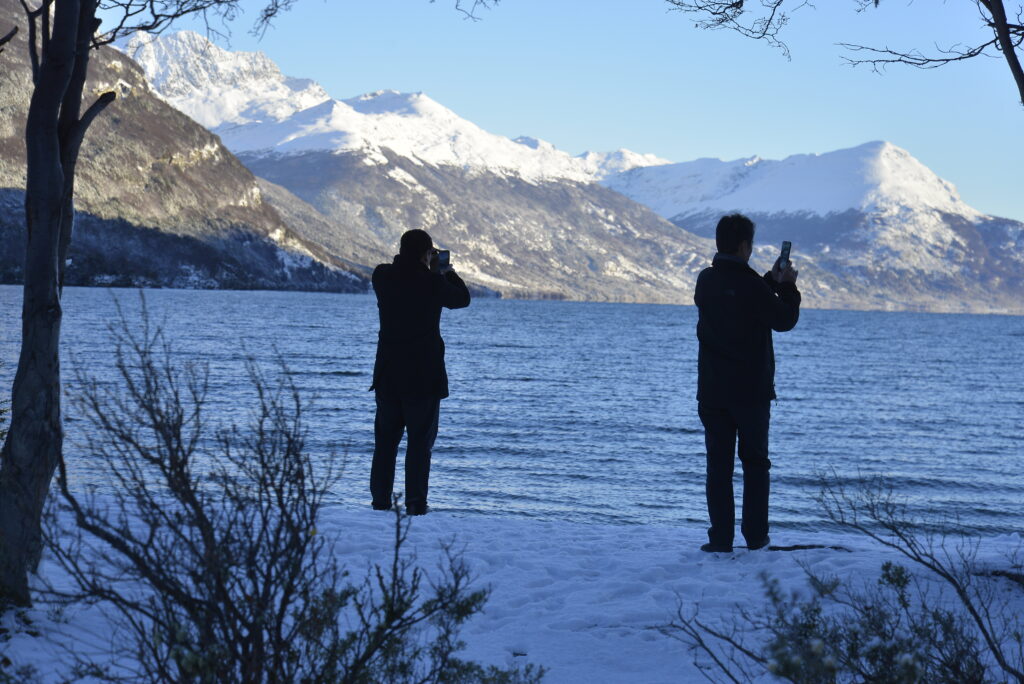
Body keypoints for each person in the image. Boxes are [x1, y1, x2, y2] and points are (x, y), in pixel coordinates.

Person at [694, 214, 800, 553]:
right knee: (755, 465)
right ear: (744, 246)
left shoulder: (705, 281)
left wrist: (768, 279)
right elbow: (783, 319)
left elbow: (737, 295)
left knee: (718, 467)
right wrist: (787, 286)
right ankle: (756, 537)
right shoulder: (753, 285)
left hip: (712, 391)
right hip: (751, 393)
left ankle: (720, 538)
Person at [370, 229, 471, 515]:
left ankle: (380, 502)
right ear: (426, 254)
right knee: (418, 444)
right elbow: (462, 299)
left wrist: (424, 265)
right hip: (423, 378)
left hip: (388, 375)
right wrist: (445, 272)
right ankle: (415, 504)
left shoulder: (382, 276)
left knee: (385, 444)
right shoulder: (433, 283)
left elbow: (397, 270)